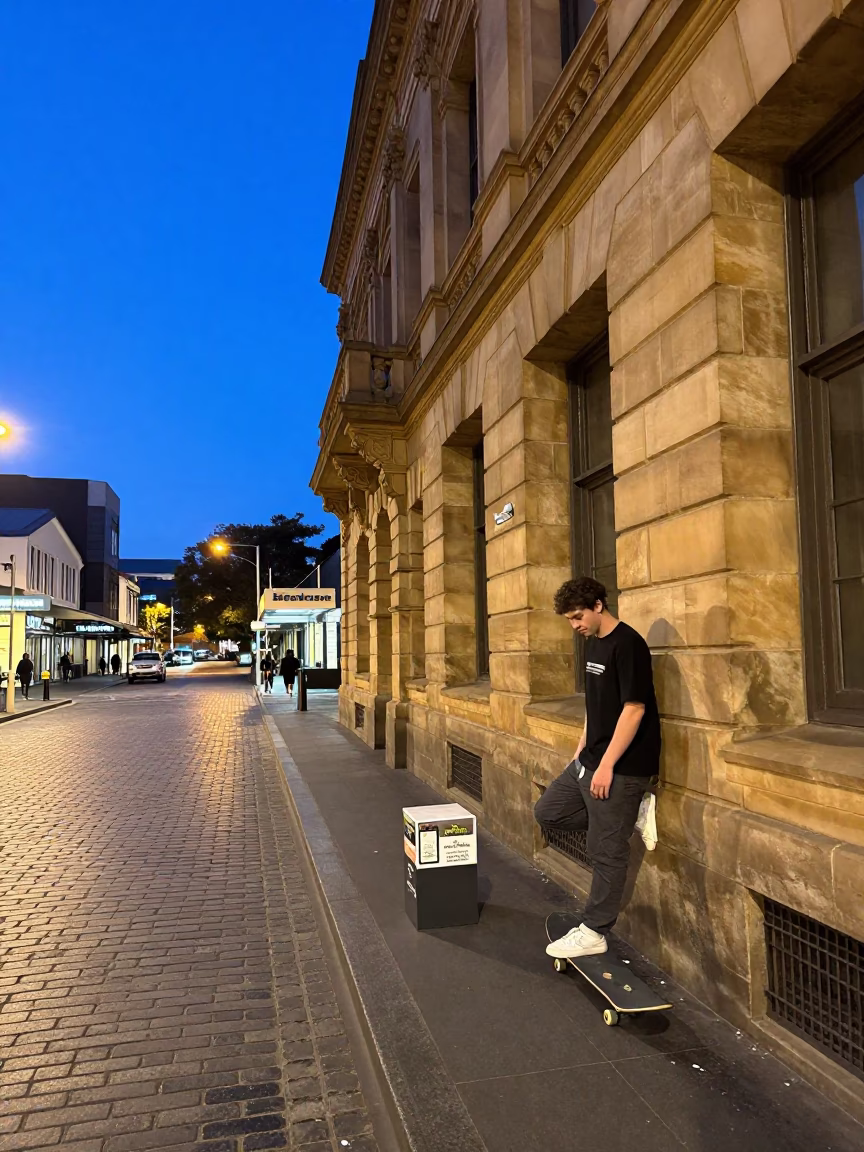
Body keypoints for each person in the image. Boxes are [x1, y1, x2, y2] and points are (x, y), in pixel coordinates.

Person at [535, 576, 660, 960]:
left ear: (599, 605)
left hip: (623, 766)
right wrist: (581, 748)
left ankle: (595, 930)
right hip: (590, 759)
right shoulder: (594, 644)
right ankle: (626, 814)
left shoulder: (630, 645)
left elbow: (634, 709)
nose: (575, 626)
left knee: (606, 850)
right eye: (570, 620)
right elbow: (596, 704)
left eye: (577, 617)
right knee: (547, 812)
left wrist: (606, 766)